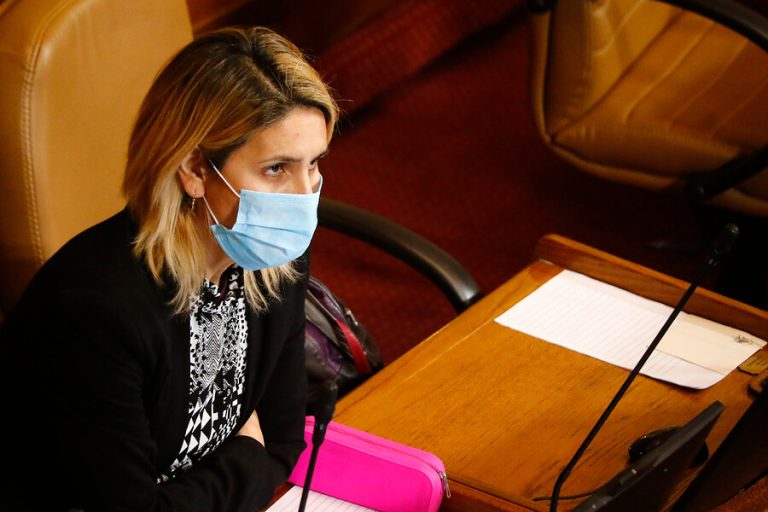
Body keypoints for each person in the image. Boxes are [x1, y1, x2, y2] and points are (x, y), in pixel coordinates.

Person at [0, 26, 337, 511]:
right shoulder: (95, 313)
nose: (304, 197)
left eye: (314, 164)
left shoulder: (273, 260)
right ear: (195, 169)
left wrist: (233, 472)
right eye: (276, 169)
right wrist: (246, 456)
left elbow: (283, 441)